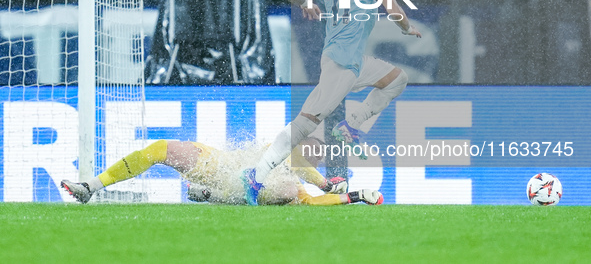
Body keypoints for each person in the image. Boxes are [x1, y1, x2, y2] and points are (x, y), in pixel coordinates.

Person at [242, 0, 422, 205]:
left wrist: (305, 3)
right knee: (304, 124)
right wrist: (406, 28)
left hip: (351, 61)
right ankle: (256, 175)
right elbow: (393, 8)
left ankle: (351, 125)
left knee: (397, 79)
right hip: (341, 65)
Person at [61, 138, 383, 206]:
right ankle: (91, 185)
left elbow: (312, 203)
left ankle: (207, 195)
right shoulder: (286, 154)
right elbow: (299, 160)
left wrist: (355, 196)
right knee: (159, 149)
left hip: (222, 182)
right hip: (220, 163)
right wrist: (328, 184)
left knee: (272, 194)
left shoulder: (291, 189)